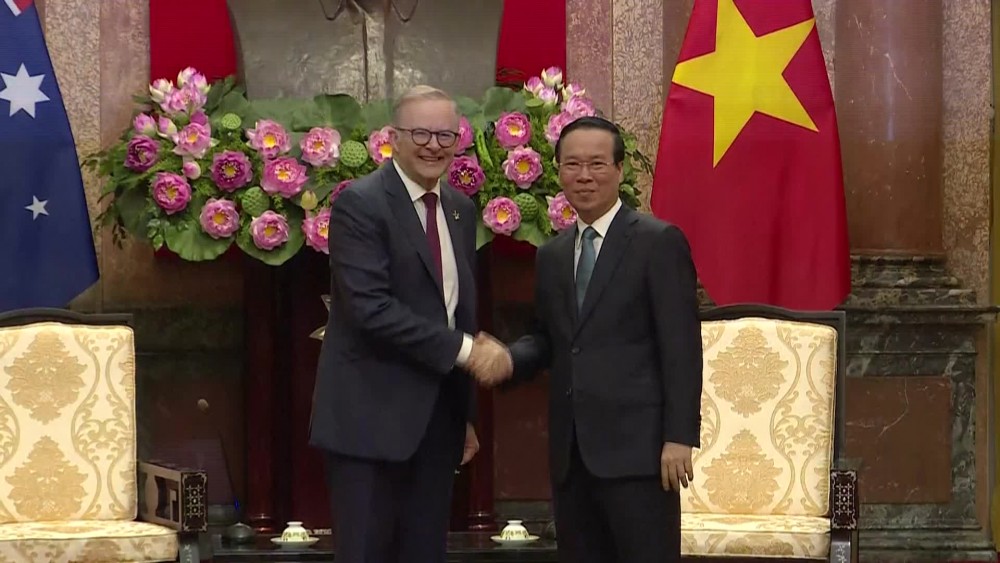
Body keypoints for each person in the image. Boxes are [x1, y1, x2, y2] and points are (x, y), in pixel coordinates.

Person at [479, 116, 703, 562]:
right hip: (572, 455)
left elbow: (681, 347)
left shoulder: (658, 242)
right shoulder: (553, 254)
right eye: (573, 165)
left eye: (597, 164)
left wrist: (679, 437)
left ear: (619, 170)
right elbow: (550, 338)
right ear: (558, 171)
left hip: (641, 455)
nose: (584, 176)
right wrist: (509, 359)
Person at [309, 85, 511, 563]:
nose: (433, 145)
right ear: (393, 138)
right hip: (369, 424)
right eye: (420, 133)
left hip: (437, 426)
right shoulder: (361, 204)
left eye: (445, 135)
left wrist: (464, 416)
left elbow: (457, 310)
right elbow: (370, 310)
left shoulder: (460, 209)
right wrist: (469, 352)